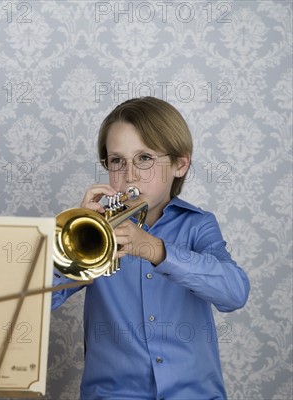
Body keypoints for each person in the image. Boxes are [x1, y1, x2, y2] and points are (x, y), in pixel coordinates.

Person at [52, 97, 250, 399]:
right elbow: (37, 303)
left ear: (180, 164)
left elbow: (234, 293)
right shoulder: (96, 229)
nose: (130, 175)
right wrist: (74, 246)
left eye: (144, 158)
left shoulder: (198, 225)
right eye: (117, 161)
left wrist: (156, 250)